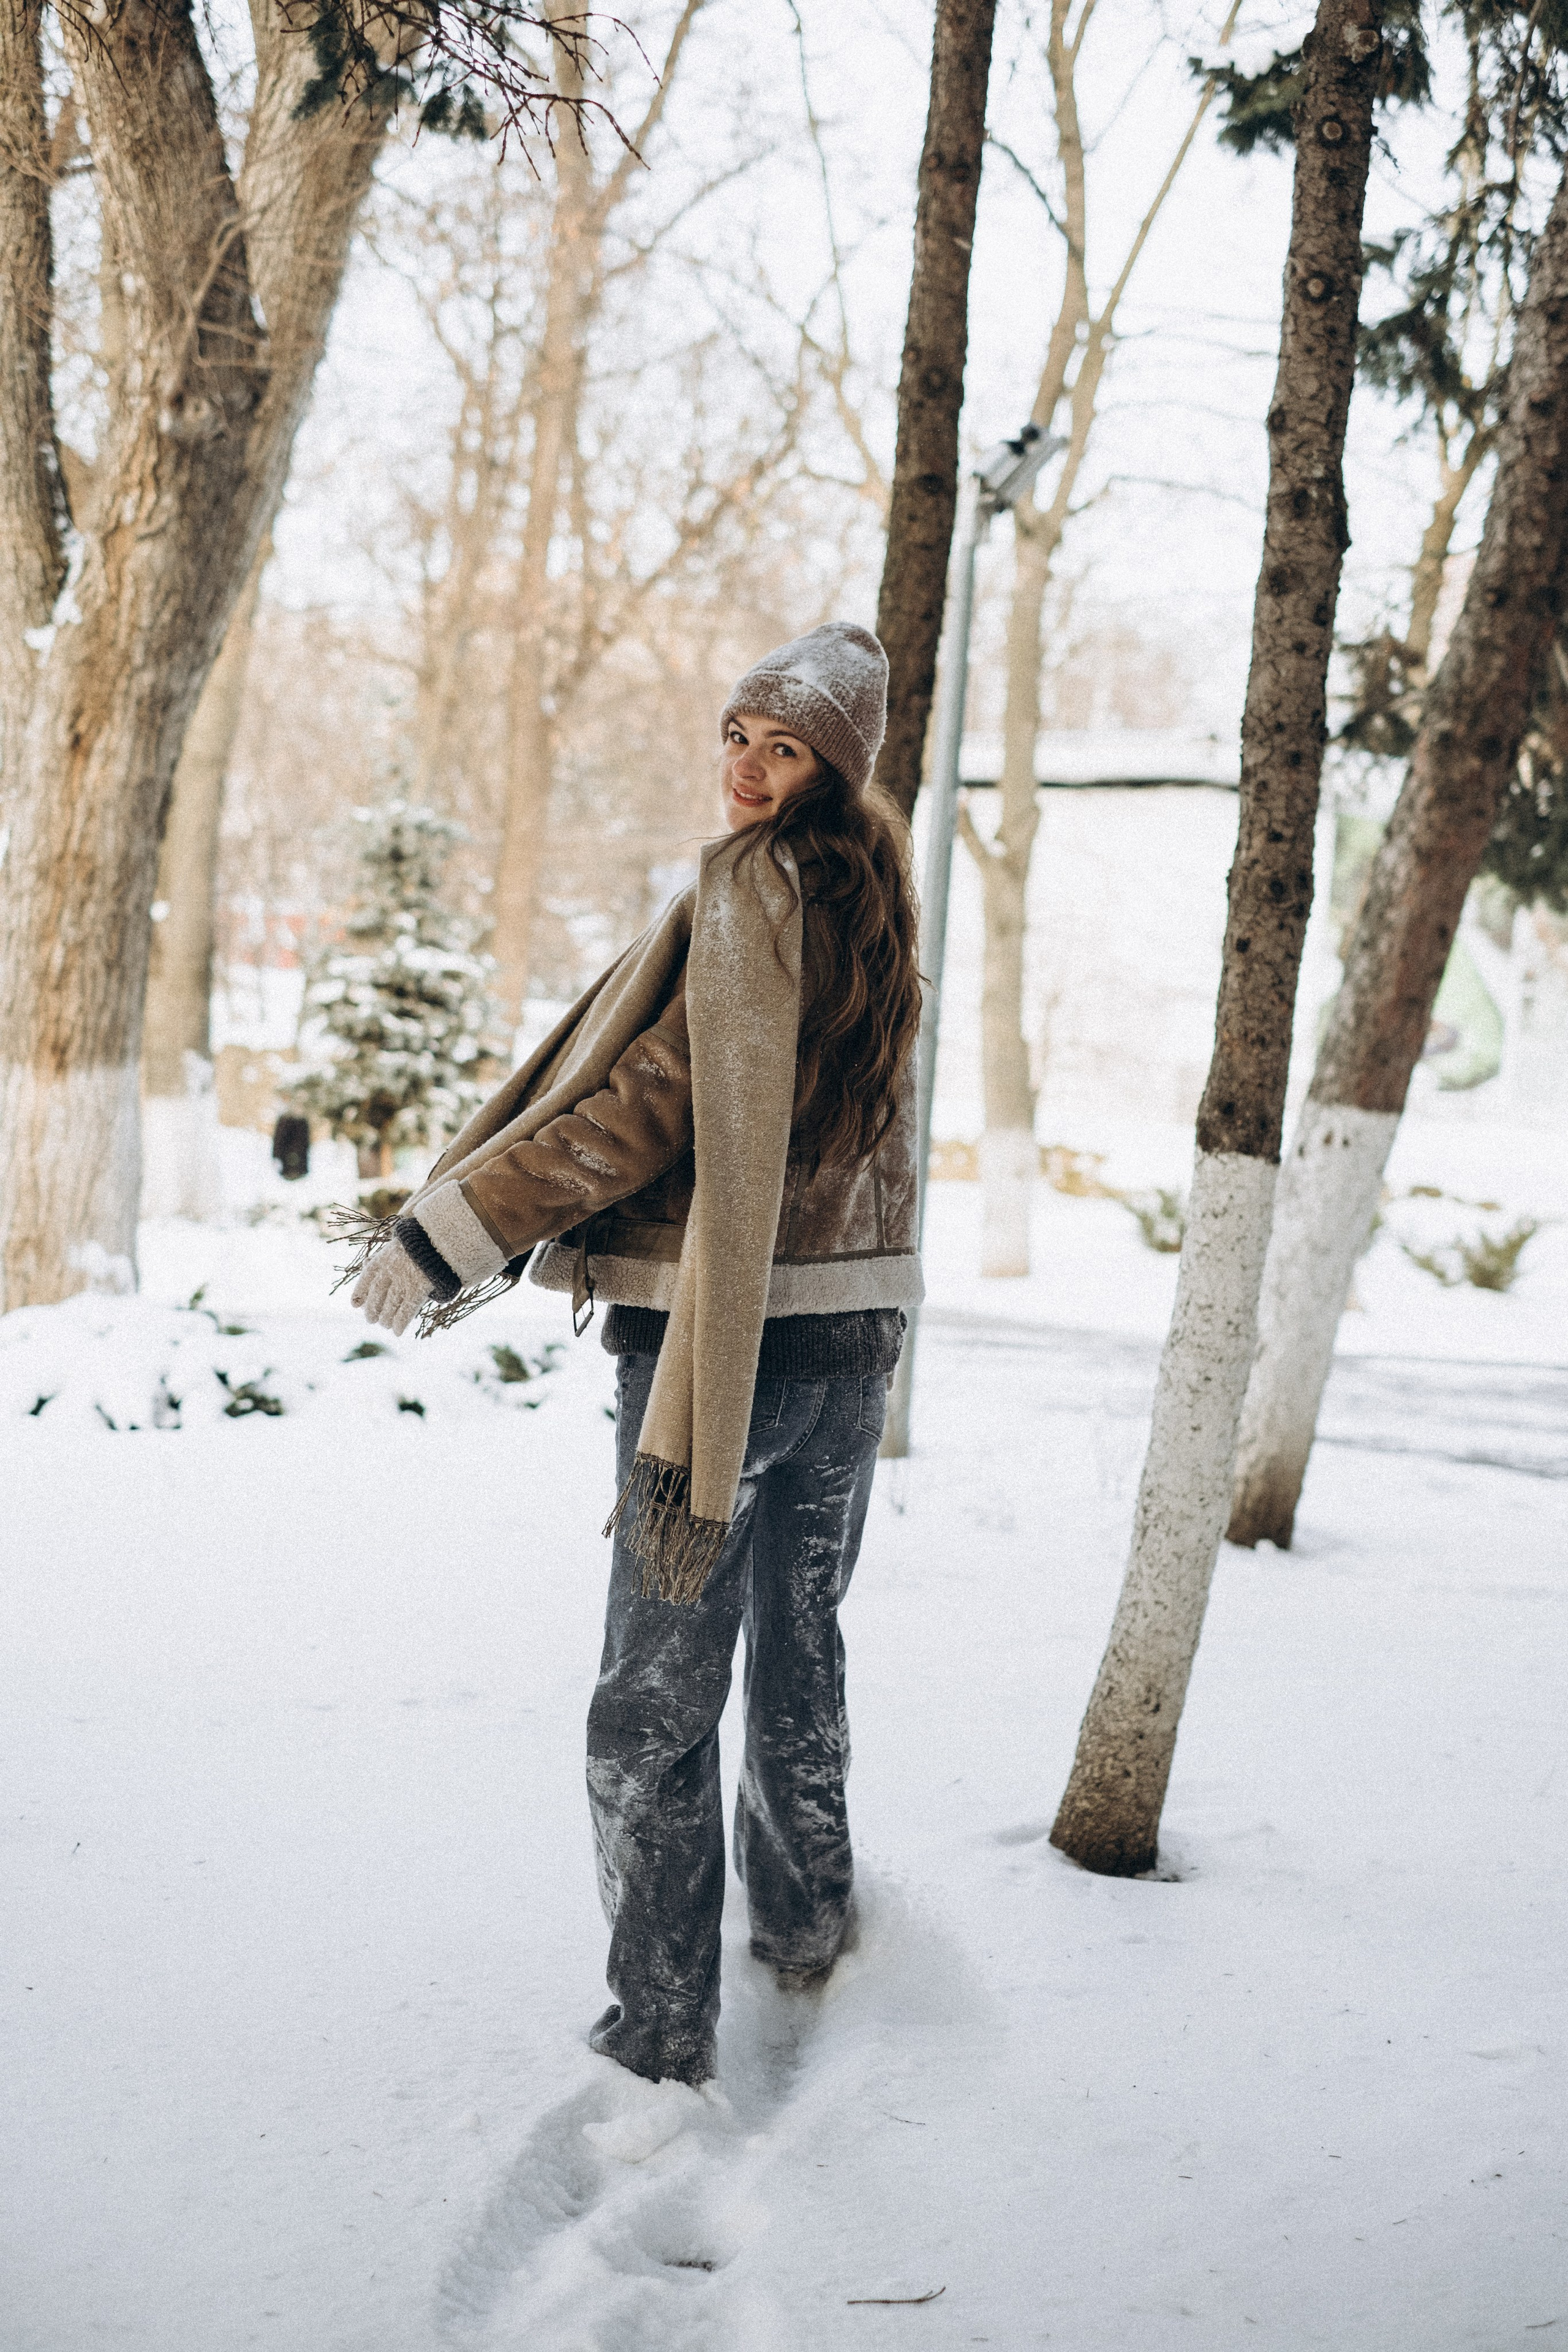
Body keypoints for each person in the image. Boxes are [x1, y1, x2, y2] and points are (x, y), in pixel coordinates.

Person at [349, 622, 924, 2087]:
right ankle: (805, 1927)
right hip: (853, 1346)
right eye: (737, 732)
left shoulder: (751, 898)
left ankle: (661, 2024)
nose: (745, 767)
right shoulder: (877, 906)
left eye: (781, 748)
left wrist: (448, 1230)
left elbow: (641, 1112)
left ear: (830, 772)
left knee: (650, 1702)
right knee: (802, 1656)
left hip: (711, 1363)